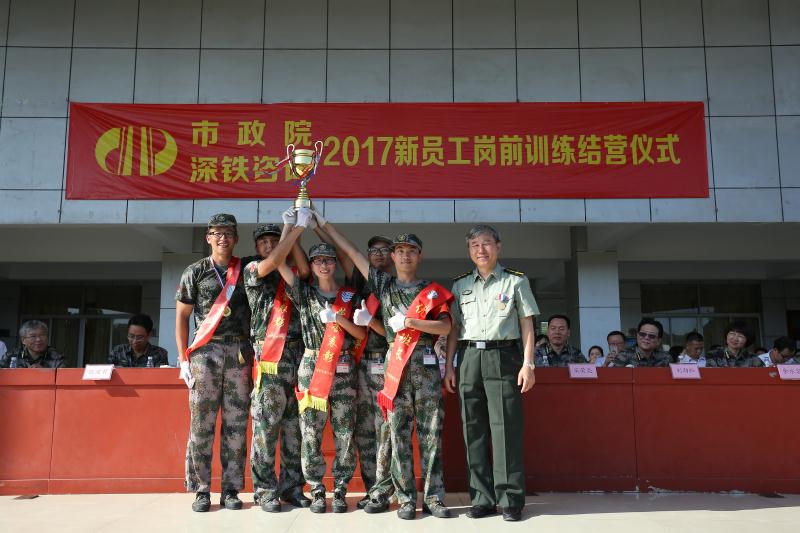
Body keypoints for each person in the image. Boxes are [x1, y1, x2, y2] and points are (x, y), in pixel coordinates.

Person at [321, 215, 453, 520]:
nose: (405, 256)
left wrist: (411, 322)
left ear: (419, 256)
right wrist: (324, 225)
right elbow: (352, 252)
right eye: (400, 251)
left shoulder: (431, 291)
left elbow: (445, 327)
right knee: (397, 435)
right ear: (393, 257)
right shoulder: (383, 284)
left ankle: (433, 497)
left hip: (426, 367)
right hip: (395, 368)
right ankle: (405, 498)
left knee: (431, 435)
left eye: (411, 251)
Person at [274, 211, 366, 515]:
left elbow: (360, 333)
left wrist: (339, 318)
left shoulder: (349, 295)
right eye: (317, 261)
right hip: (312, 365)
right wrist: (291, 226)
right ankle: (316, 490)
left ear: (335, 264)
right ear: (311, 265)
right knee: (311, 432)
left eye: (328, 260)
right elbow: (278, 261)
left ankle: (340, 490)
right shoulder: (304, 292)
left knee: (344, 433)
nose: (324, 265)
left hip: (343, 367)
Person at [445, 224, 538, 522]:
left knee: (505, 428)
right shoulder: (460, 285)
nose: (480, 250)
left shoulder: (515, 281)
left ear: (498, 246)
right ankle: (481, 499)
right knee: (472, 429)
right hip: (469, 356)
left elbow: (527, 324)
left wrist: (528, 364)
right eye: (474, 245)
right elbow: (454, 328)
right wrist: (449, 365)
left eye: (486, 243)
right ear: (469, 251)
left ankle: (510, 499)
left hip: (504, 355)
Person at [175, 213, 253, 513]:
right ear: (208, 237)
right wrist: (183, 359)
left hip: (239, 353)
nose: (223, 238)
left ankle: (231, 489)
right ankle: (201, 489)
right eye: (217, 233)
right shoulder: (195, 272)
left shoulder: (246, 270)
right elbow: (182, 317)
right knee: (201, 423)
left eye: (228, 233)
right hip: (205, 353)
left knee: (236, 423)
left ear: (236, 238)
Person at [315, 227, 392, 510]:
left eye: (384, 250)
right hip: (357, 366)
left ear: (393, 255)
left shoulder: (393, 285)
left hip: (385, 362)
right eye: (374, 250)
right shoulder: (358, 283)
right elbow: (343, 252)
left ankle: (386, 488)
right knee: (363, 431)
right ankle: (373, 489)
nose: (378, 255)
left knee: (385, 429)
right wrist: (317, 226)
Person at [244, 219, 312, 512]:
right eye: (264, 242)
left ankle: (292, 487)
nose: (270, 245)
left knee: (295, 428)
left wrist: (295, 235)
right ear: (256, 247)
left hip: (297, 354)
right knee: (266, 427)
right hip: (271, 356)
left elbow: (305, 271)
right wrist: (294, 228)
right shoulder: (253, 269)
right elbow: (273, 261)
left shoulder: (293, 274)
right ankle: (264, 490)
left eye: (274, 240)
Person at [0, 320, 65, 368]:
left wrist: (45, 373)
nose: (38, 339)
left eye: (42, 335)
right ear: (23, 340)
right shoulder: (12, 355)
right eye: (33, 336)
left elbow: (63, 379)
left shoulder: (57, 357)